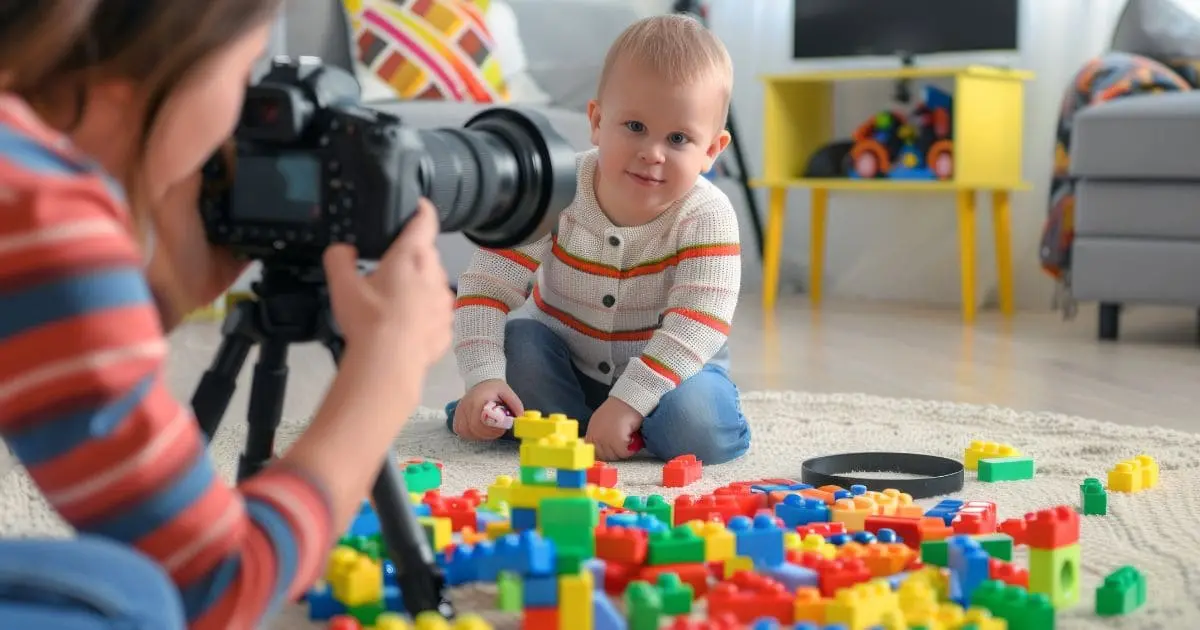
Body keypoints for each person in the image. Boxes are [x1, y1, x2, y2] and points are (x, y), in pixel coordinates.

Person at [0, 2, 454, 629]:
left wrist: (153, 299)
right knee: (136, 610)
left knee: (125, 583)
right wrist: (388, 370)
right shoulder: (41, 208)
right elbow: (221, 582)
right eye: (245, 72)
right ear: (178, 55)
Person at [447, 14, 750, 464]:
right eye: (634, 127)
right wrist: (483, 378)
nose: (652, 152)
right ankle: (543, 418)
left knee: (698, 425)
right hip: (565, 363)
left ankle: (608, 424)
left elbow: (696, 326)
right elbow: (485, 289)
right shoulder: (557, 188)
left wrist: (631, 400)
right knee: (520, 349)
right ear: (597, 120)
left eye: (679, 137)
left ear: (711, 151)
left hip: (675, 374)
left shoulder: (708, 215)